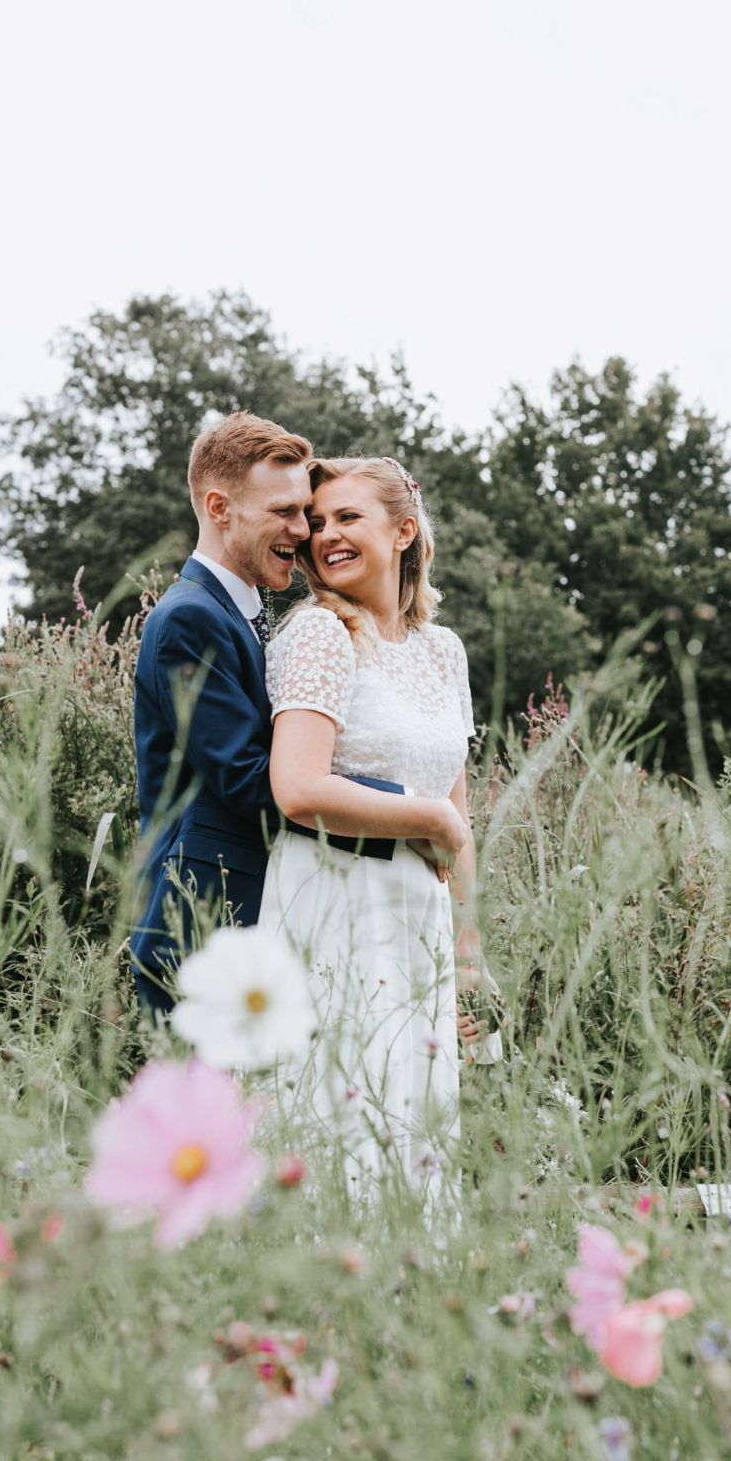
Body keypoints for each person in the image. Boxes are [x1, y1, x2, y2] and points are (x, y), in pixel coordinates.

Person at [130, 413, 465, 1017]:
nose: (303, 530)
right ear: (219, 507)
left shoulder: (249, 612)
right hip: (204, 917)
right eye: (287, 513)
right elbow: (256, 781)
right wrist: (414, 814)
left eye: (305, 512)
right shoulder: (189, 619)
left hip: (278, 913)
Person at [259, 455, 480, 1194]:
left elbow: (459, 807)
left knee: (415, 1120)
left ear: (404, 529)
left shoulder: (442, 652)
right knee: (343, 1112)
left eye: (347, 518)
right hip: (335, 895)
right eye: (316, 523)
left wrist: (469, 955)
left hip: (419, 914)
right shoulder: (321, 633)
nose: (325, 536)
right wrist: (428, 818)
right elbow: (296, 787)